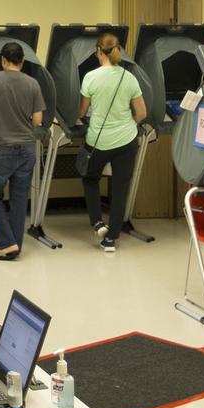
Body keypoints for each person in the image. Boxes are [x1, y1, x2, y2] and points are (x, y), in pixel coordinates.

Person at [77, 33, 147, 252]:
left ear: (99, 51)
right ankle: (111, 239)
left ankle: (97, 222)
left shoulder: (90, 77)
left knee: (89, 178)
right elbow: (142, 113)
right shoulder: (130, 77)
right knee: (119, 187)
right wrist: (127, 124)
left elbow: (82, 111)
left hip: (98, 140)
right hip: (126, 141)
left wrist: (80, 118)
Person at [0, 42, 46, 261]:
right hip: (27, 148)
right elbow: (37, 120)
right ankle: (15, 245)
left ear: (3, 60)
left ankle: (7, 244)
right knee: (18, 199)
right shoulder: (33, 83)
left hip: (1, 148)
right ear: (23, 61)